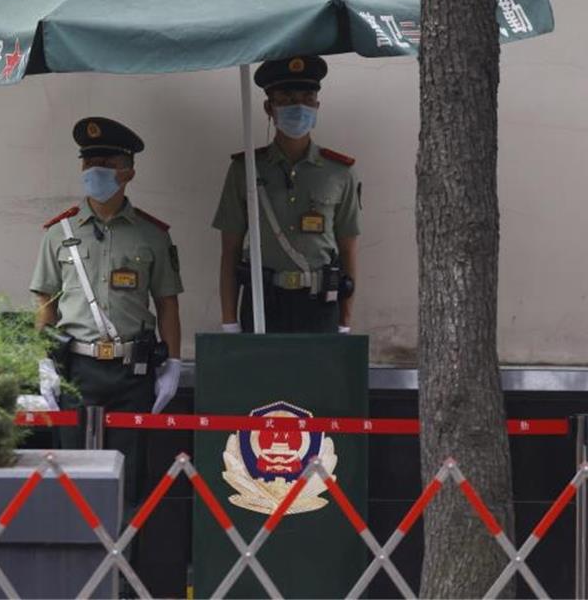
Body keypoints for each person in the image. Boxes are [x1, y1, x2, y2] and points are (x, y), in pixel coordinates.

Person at [29, 116, 184, 516]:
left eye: (107, 162)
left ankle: (124, 573)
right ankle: (75, 568)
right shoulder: (57, 233)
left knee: (129, 475)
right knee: (70, 473)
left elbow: (167, 302)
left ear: (128, 171)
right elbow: (45, 301)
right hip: (76, 368)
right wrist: (42, 361)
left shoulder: (152, 235)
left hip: (132, 372)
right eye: (89, 162)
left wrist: (174, 364)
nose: (96, 170)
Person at [213, 55, 361, 334]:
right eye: (287, 98)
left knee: (317, 379)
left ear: (317, 106)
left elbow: (349, 249)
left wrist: (345, 321)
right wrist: (229, 320)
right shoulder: (245, 170)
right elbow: (229, 251)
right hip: (263, 304)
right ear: (270, 107)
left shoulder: (339, 173)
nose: (299, 106)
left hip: (320, 305)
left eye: (307, 97)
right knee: (263, 378)